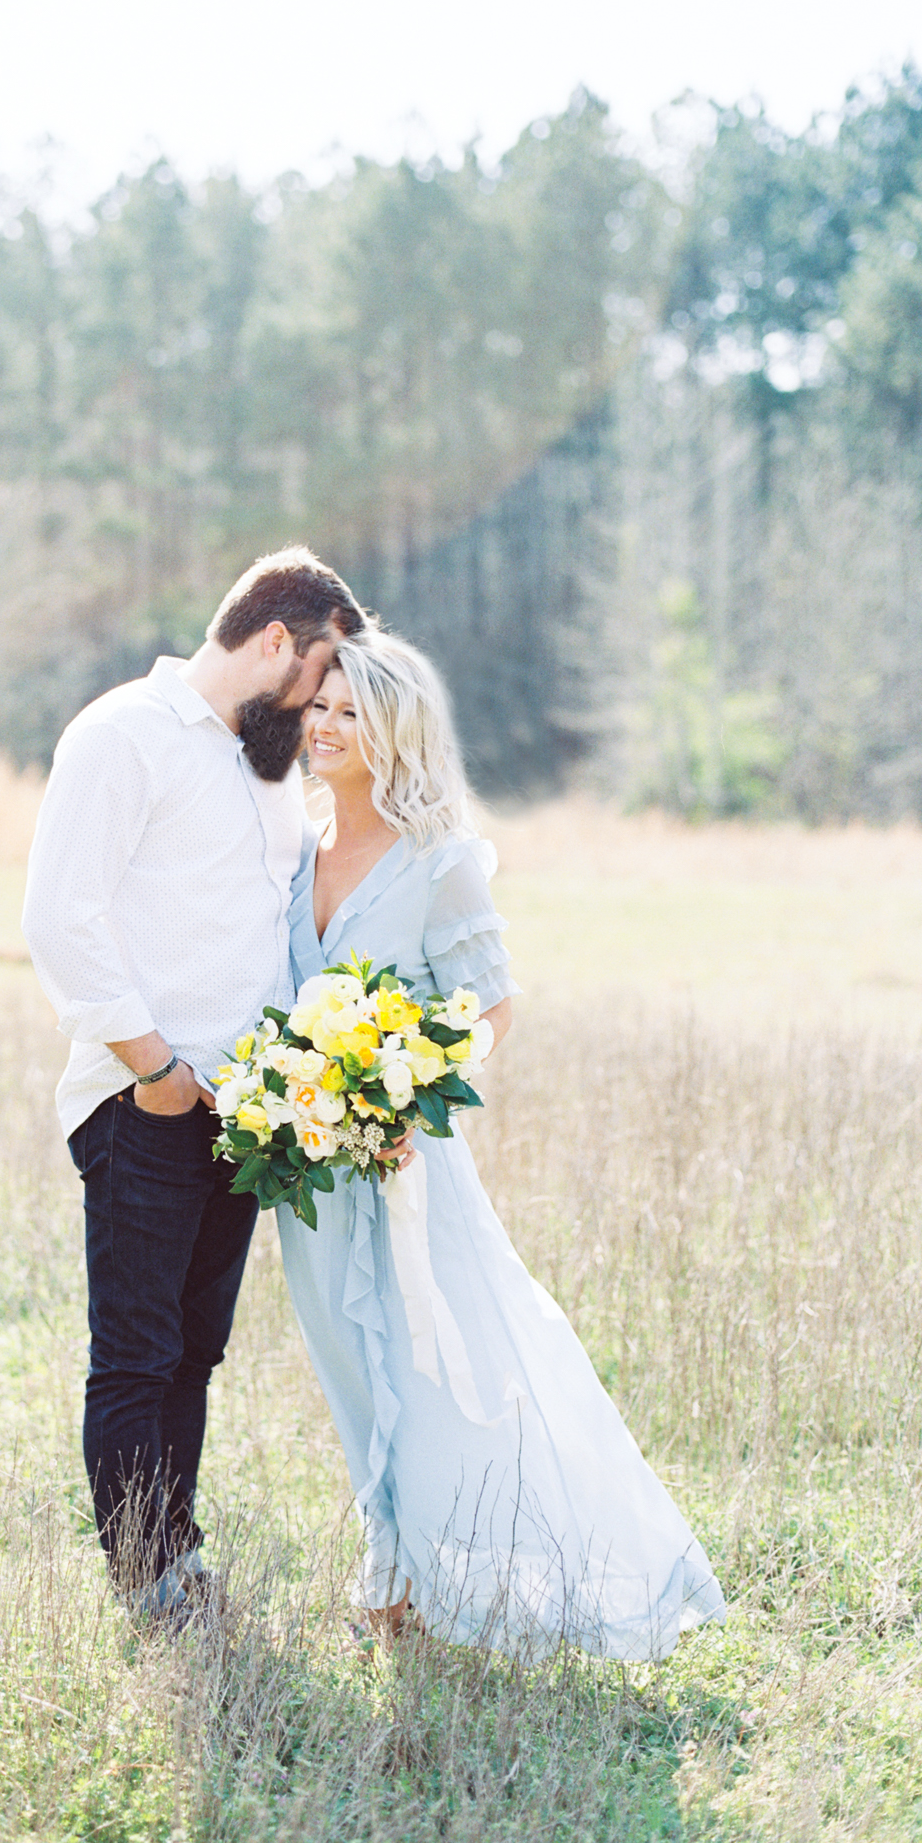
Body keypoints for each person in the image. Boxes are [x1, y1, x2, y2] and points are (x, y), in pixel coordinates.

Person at [281, 630, 725, 1659]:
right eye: (319, 706)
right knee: (351, 1363)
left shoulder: (438, 859)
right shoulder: (291, 851)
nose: (328, 726)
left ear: (393, 727)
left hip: (404, 1167)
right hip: (314, 1169)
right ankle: (390, 1572)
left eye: (351, 710)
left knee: (442, 1363)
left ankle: (461, 1574)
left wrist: (404, 1098)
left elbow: (493, 1006)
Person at [22, 547, 367, 1622]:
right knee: (137, 1351)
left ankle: (177, 1554)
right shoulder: (124, 734)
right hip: (146, 1103)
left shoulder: (260, 766)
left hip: (243, 1115)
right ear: (275, 642)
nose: (321, 706)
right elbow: (59, 916)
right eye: (321, 675)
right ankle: (143, 1580)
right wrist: (157, 1068)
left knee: (196, 1351)